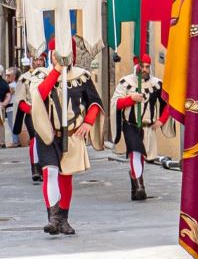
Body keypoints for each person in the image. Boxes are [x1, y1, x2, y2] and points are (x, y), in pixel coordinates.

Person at [26, 38, 102, 235]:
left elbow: (94, 102)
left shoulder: (82, 76)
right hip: (48, 134)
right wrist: (57, 70)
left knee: (66, 177)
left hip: (72, 135)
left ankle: (63, 219)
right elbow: (40, 95)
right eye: (56, 53)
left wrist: (88, 122)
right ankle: (53, 218)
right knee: (49, 172)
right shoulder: (41, 75)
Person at [112, 54, 165, 200]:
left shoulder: (157, 84)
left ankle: (134, 184)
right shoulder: (125, 83)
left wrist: (161, 120)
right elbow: (116, 103)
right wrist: (131, 99)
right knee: (135, 152)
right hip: (130, 125)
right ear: (137, 66)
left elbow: (168, 104)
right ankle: (140, 186)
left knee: (141, 155)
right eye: (142, 66)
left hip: (147, 127)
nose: (145, 69)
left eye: (147, 67)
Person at [13, 57, 42, 181]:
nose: (38, 62)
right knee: (35, 139)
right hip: (31, 113)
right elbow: (20, 100)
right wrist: (31, 110)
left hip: (46, 114)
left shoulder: (47, 74)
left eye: (41, 59)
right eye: (35, 59)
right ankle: (35, 168)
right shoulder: (24, 78)